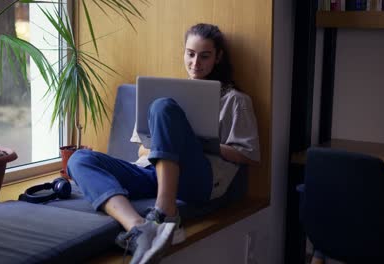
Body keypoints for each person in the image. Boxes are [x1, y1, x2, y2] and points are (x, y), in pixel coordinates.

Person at [67, 23, 260, 264]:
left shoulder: (235, 100)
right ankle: (139, 230)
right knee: (79, 160)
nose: (195, 63)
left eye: (204, 56)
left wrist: (199, 144)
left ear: (218, 57)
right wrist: (170, 142)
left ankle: (166, 214)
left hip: (198, 178)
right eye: (190, 54)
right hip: (152, 171)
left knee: (162, 106)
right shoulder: (168, 92)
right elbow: (141, 148)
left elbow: (249, 155)